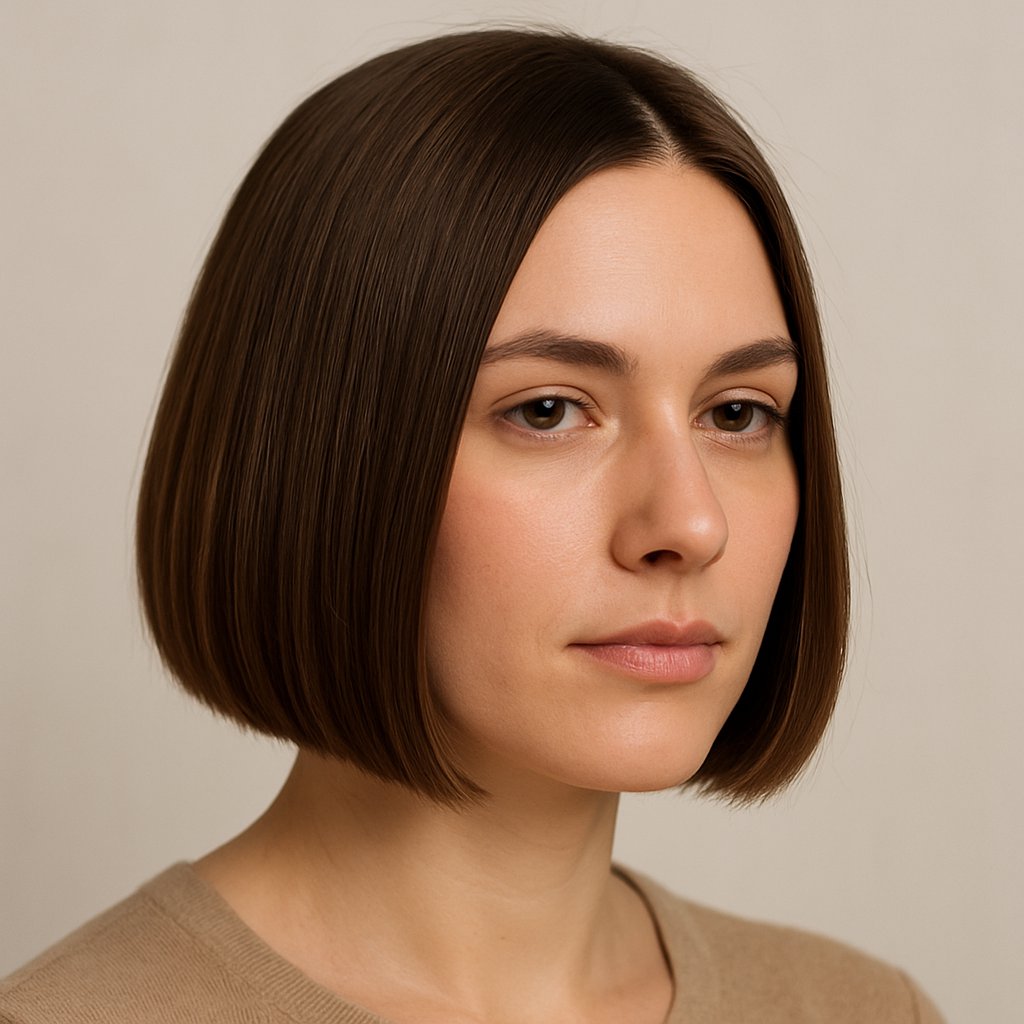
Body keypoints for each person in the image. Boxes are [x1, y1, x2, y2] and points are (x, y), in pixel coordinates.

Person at [0, 28, 944, 1023]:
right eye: (547, 409)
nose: (690, 522)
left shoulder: (860, 1007)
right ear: (318, 456)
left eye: (738, 412)